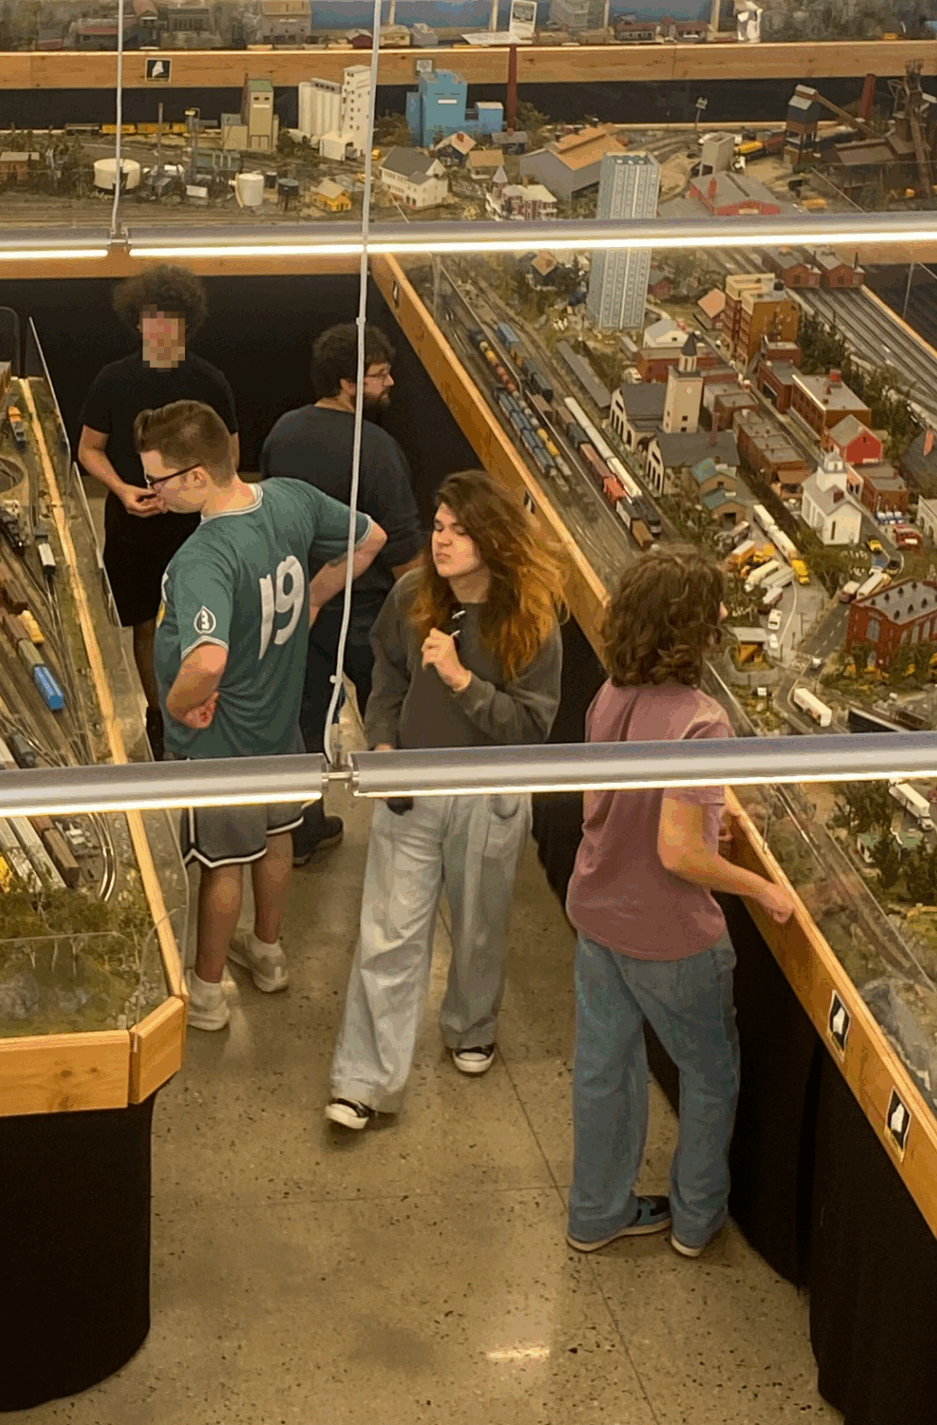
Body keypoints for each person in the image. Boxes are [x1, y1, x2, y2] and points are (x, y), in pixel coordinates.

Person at [564, 546, 795, 1259]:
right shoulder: (702, 720)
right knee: (710, 1072)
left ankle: (595, 1214)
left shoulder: (610, 694)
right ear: (690, 627)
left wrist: (713, 799)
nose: (725, 616)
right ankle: (696, 1221)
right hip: (670, 936)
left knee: (604, 1070)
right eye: (715, 609)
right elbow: (677, 852)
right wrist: (763, 887)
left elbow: (626, 802)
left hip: (598, 914)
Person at [135, 400, 387, 1032]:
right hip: (282, 725)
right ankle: (269, 954)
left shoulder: (202, 560)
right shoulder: (290, 500)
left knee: (223, 865)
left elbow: (209, 660)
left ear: (197, 476)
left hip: (223, 743)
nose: (152, 492)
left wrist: (174, 704)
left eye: (158, 479)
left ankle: (209, 991)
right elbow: (370, 538)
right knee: (276, 841)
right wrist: (313, 603)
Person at [326, 469, 565, 1130]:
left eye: (460, 530)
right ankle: (363, 1080)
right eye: (438, 527)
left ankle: (471, 1026)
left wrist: (463, 681)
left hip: (488, 797)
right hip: (409, 789)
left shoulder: (532, 620)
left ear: (494, 538)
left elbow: (531, 726)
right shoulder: (411, 595)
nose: (444, 541)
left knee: (480, 924)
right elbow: (386, 676)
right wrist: (380, 748)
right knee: (387, 935)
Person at [260, 322, 424, 867]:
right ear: (348, 383)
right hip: (367, 613)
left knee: (304, 720)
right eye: (379, 376)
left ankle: (302, 831)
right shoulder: (378, 450)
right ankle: (406, 818)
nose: (390, 383)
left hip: (297, 607)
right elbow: (404, 555)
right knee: (391, 713)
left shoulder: (281, 433)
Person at [79, 265, 240, 763]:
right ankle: (158, 714)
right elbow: (89, 450)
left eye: (171, 320)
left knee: (204, 623)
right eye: (152, 320)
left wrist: (197, 498)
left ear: (187, 323)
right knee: (146, 624)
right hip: (134, 526)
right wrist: (123, 490)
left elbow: (229, 459)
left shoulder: (210, 381)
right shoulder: (113, 380)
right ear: (138, 323)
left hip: (195, 529)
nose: (161, 330)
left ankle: (203, 703)